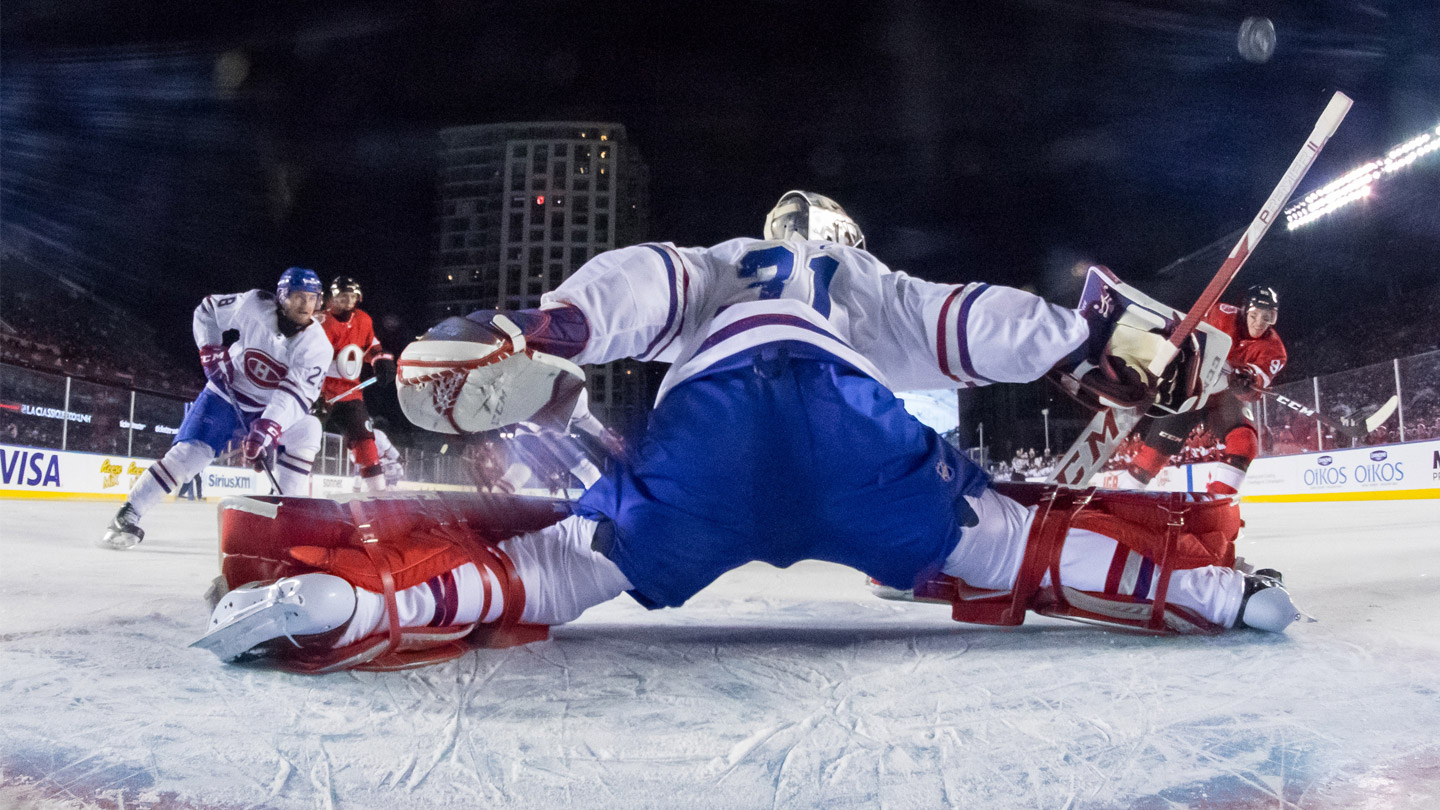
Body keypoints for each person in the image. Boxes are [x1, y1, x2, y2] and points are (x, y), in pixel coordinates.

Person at [193, 192, 1299, 671]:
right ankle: (1211, 593)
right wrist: (1086, 343)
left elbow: (641, 287)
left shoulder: (730, 263)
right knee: (1015, 542)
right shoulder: (849, 272)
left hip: (707, 433)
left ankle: (358, 602)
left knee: (549, 564)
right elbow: (963, 323)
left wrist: (550, 323)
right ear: (839, 236)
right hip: (847, 426)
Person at [99, 268, 333, 550]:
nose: (305, 305)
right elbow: (207, 310)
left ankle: (286, 513)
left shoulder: (318, 345)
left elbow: (296, 395)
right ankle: (128, 514)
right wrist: (209, 348)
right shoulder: (253, 304)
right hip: (226, 393)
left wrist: (266, 430)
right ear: (282, 296)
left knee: (309, 430)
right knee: (189, 457)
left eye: (312, 298)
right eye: (298, 296)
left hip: (269, 406)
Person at [1126, 286, 1286, 495]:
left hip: (1224, 399)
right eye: (1254, 315)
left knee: (1245, 442)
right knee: (1151, 457)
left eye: (1268, 318)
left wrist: (1248, 381)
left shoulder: (1275, 350)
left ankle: (1218, 501)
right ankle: (1123, 498)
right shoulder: (1221, 314)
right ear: (1244, 310)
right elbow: (1189, 340)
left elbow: (1255, 388)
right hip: (1191, 390)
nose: (1259, 323)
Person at [316, 276, 395, 491]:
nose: (347, 302)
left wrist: (381, 361)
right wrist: (314, 393)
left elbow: (371, 347)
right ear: (330, 299)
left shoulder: (364, 320)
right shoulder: (320, 322)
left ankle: (378, 493)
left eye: (351, 297)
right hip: (319, 390)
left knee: (365, 440)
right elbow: (306, 357)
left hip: (351, 391)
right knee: (306, 436)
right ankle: (288, 487)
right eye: (342, 297)